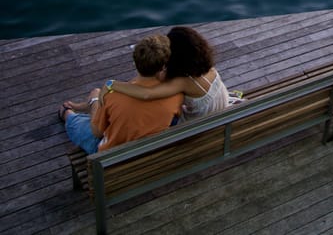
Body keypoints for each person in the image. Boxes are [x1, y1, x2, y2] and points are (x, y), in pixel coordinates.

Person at [58, 34, 184, 154]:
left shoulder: (113, 96)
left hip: (113, 157)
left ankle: (68, 112)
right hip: (150, 152)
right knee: (99, 99)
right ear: (163, 67)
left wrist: (97, 103)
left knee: (80, 121)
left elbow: (97, 133)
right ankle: (91, 102)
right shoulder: (176, 94)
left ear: (135, 63)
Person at [99, 26, 229, 122]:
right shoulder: (207, 66)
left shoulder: (184, 82)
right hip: (221, 114)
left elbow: (147, 94)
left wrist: (111, 84)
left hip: (198, 127)